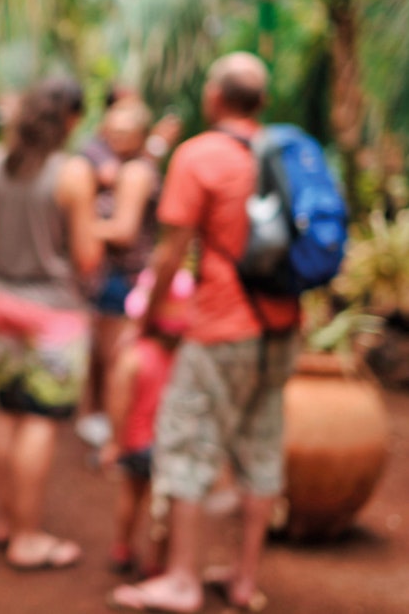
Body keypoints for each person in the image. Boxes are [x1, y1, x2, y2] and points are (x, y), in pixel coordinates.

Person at [109, 52, 299, 613]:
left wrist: (148, 318)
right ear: (261, 102)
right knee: (261, 447)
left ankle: (183, 580)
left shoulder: (199, 156)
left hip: (221, 325)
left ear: (215, 97)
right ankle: (243, 580)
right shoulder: (285, 152)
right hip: (282, 327)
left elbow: (172, 254)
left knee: (187, 442)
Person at [0, 78, 102, 570]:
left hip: (3, 304)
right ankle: (28, 538)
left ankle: (5, 521)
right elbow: (87, 259)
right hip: (54, 314)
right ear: (69, 119)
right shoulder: (73, 173)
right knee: (40, 420)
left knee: (6, 412)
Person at [77, 97, 168, 450]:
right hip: (111, 277)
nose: (115, 136)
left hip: (123, 279)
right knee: (102, 355)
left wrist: (77, 227)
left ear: (141, 135)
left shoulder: (133, 172)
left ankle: (119, 440)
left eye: (124, 131)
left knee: (116, 360)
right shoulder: (125, 167)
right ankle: (105, 425)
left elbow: (123, 230)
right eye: (111, 129)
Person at [100, 268, 194, 580]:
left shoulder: (133, 356)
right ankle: (156, 561)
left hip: (136, 444)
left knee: (130, 495)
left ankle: (122, 547)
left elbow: (119, 402)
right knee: (163, 505)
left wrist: (114, 441)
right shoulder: (185, 358)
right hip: (169, 447)